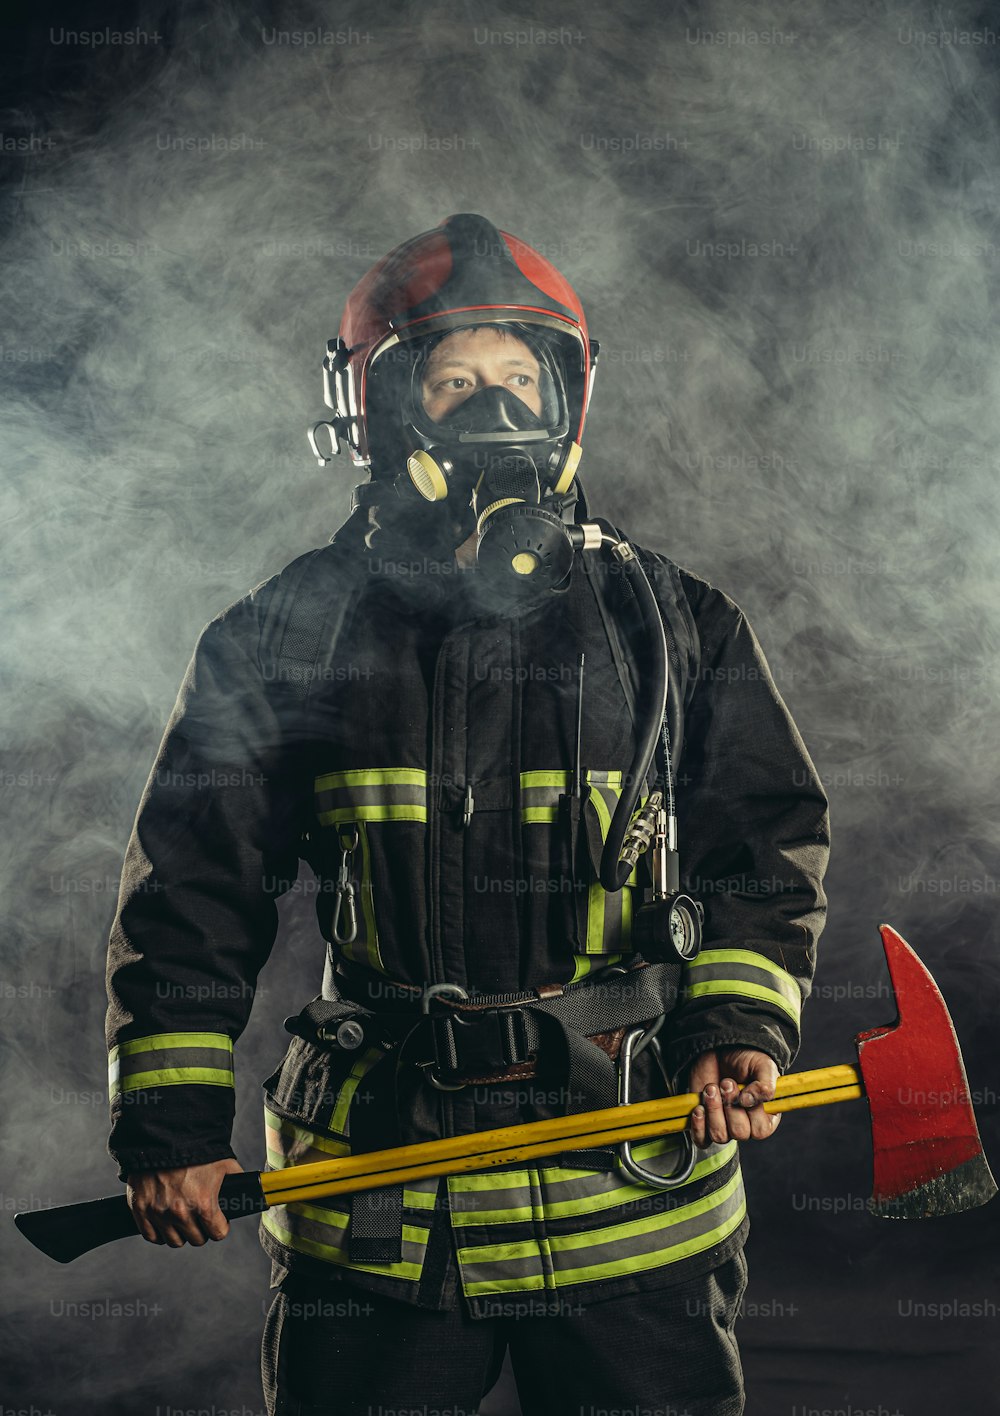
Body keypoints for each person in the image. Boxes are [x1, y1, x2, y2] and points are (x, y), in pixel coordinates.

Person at [105, 213, 830, 1416]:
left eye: (517, 380)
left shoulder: (673, 622)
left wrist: (739, 1024)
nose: (493, 412)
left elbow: (762, 840)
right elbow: (190, 887)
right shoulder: (286, 636)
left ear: (567, 400)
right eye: (452, 384)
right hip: (383, 1214)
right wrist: (171, 1126)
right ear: (384, 411)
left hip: (630, 1198)